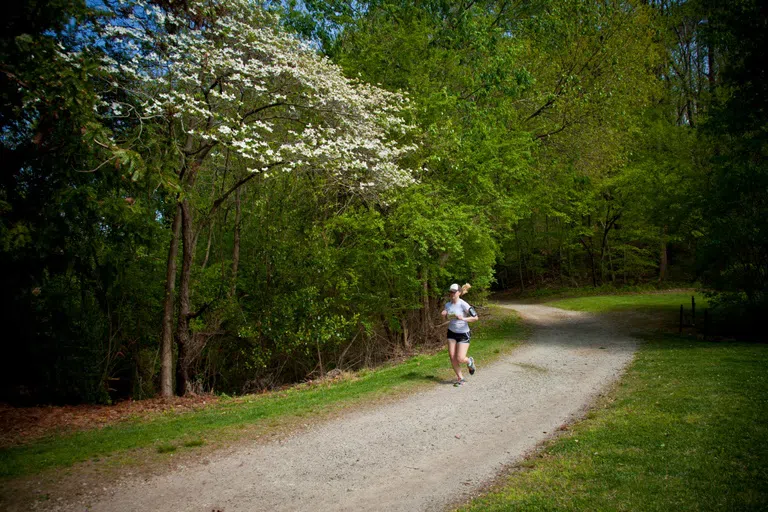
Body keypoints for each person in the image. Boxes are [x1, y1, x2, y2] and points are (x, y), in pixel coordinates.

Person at [441, 283, 478, 386]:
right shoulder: (447, 305)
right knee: (452, 356)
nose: (451, 293)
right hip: (451, 332)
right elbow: (448, 318)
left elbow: (475, 318)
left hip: (463, 334)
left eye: (454, 292)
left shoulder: (464, 304)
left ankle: (469, 361)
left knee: (460, 358)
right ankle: (460, 378)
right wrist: (444, 314)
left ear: (459, 293)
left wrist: (463, 318)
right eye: (450, 292)